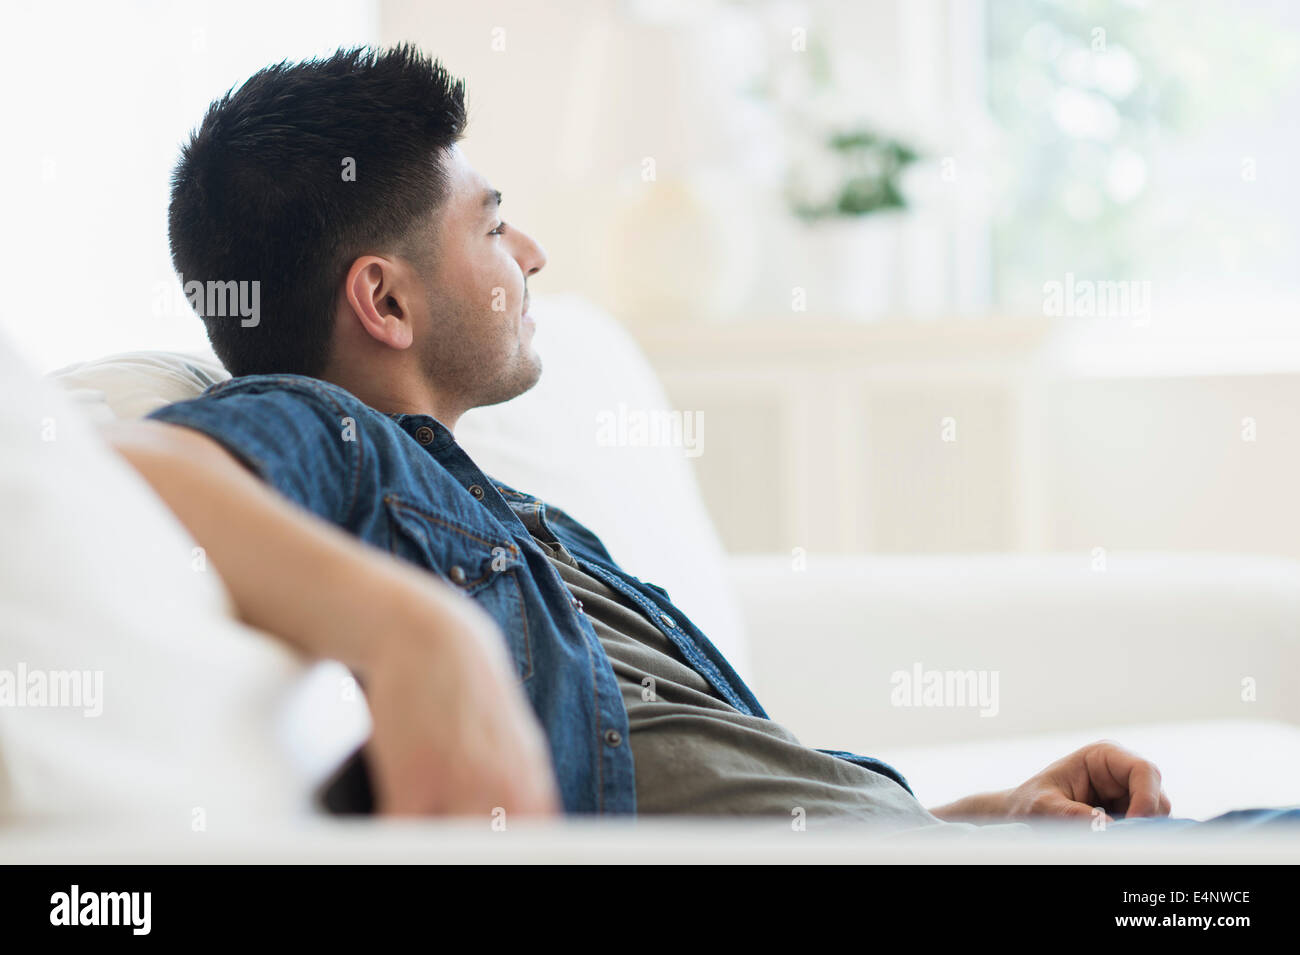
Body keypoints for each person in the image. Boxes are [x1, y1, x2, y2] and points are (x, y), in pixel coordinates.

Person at [108, 44, 1292, 832]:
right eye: (495, 225)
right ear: (385, 299)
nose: (531, 256)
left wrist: (978, 818)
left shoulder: (516, 523)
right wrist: (421, 639)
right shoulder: (334, 437)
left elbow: (728, 796)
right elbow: (127, 470)